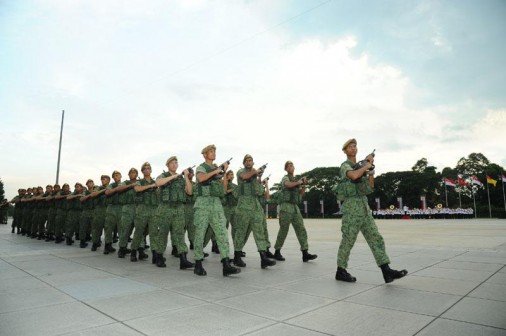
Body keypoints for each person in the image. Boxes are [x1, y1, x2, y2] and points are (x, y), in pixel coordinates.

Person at [336, 138, 407, 283]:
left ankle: (386, 271)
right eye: (350, 147)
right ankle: (340, 271)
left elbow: (369, 189)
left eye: (355, 146)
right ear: (345, 151)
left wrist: (371, 172)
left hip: (363, 206)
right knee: (348, 240)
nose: (353, 148)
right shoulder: (346, 166)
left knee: (375, 238)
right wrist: (366, 165)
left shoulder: (360, 167)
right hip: (351, 208)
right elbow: (354, 175)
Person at [192, 144, 240, 277]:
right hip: (203, 202)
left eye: (214, 151)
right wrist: (216, 170)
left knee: (222, 233)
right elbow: (201, 178)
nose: (213, 153)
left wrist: (223, 172)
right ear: (205, 155)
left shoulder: (216, 168)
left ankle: (226, 264)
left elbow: (223, 189)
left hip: (216, 203)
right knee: (200, 234)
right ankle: (198, 263)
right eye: (211, 151)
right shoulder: (202, 167)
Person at [233, 154, 276, 269]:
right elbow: (244, 177)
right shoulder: (241, 172)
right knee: (241, 232)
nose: (248, 162)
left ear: (253, 163)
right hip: (243, 206)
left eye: (250, 160)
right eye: (246, 160)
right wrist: (255, 172)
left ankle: (263, 258)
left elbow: (259, 191)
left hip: (255, 206)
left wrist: (259, 178)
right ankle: (237, 256)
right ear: (244, 163)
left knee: (259, 232)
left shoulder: (254, 176)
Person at [154, 156, 194, 269]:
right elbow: (158, 183)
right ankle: (159, 257)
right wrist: (174, 176)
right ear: (167, 165)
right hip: (165, 208)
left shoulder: (181, 178)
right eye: (172, 163)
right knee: (163, 233)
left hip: (179, 208)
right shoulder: (163, 176)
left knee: (180, 234)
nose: (174, 165)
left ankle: (183, 260)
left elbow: (189, 192)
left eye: (176, 163)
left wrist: (186, 177)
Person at [273, 161, 317, 262]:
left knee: (301, 229)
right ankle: (277, 251)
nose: (291, 167)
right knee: (284, 230)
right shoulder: (286, 178)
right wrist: (299, 182)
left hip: (295, 207)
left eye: (292, 165)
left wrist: (304, 185)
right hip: (286, 206)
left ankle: (305, 253)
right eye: (288, 166)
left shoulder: (295, 180)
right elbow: (287, 185)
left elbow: (300, 194)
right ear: (286, 169)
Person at [132, 162, 158, 262]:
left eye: (149, 168)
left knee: (154, 233)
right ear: (142, 171)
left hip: (153, 210)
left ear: (151, 170)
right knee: (139, 232)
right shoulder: (140, 182)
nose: (147, 170)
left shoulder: (155, 182)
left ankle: (155, 255)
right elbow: (137, 189)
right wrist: (150, 186)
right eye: (145, 169)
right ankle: (134, 251)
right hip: (142, 210)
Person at [116, 168, 139, 258]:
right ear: (128, 175)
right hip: (127, 208)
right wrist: (131, 185)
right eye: (131, 173)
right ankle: (122, 248)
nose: (132, 174)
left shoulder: (140, 182)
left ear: (137, 174)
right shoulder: (125, 183)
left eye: (134, 173)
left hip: (138, 207)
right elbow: (118, 189)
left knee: (139, 229)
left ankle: (138, 249)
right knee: (125, 229)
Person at [103, 171, 123, 255]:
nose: (116, 177)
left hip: (121, 208)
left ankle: (122, 247)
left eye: (117, 175)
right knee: (108, 228)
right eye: (114, 176)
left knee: (122, 229)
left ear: (121, 176)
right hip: (111, 208)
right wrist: (117, 188)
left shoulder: (125, 184)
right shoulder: (111, 185)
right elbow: (107, 192)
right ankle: (107, 246)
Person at [90, 175, 110, 251]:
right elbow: (93, 194)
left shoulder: (111, 186)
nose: (102, 180)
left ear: (108, 180)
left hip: (108, 209)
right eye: (101, 179)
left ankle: (107, 245)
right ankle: (95, 243)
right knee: (96, 228)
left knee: (108, 229)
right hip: (99, 209)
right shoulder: (99, 188)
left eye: (104, 179)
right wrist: (104, 190)